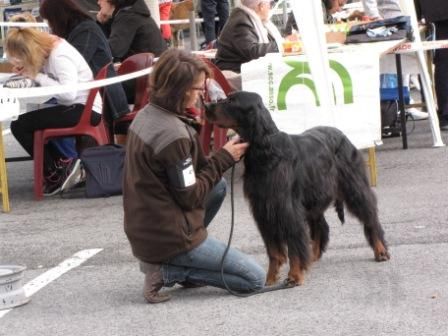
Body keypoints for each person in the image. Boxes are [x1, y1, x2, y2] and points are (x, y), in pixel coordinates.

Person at [123, 48, 266, 303]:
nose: (203, 96)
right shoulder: (173, 135)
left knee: (219, 186)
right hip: (165, 236)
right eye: (198, 89)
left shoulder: (148, 114)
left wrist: (219, 156)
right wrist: (224, 158)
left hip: (145, 227)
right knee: (254, 279)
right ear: (179, 90)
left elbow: (187, 176)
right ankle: (170, 269)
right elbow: (189, 197)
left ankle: (183, 259)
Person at [5, 27, 102, 195]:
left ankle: (57, 171)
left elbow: (68, 94)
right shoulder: (51, 48)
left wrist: (38, 76)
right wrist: (31, 70)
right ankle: (61, 165)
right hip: (79, 106)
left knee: (20, 125)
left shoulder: (59, 56)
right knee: (24, 123)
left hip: (81, 108)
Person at [39, 0, 130, 149]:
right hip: (91, 94)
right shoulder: (79, 30)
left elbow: (69, 68)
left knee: (44, 112)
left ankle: (63, 158)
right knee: (43, 110)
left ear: (57, 16)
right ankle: (61, 159)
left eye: (49, 19)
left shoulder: (85, 30)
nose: (49, 25)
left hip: (101, 96)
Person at [215, 0, 283, 76]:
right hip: (233, 75)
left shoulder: (249, 17)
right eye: (271, 4)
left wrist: (286, 42)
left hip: (242, 71)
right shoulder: (241, 21)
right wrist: (282, 45)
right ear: (261, 7)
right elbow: (253, 51)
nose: (271, 7)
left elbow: (270, 43)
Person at [96, 0, 166, 62]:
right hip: (156, 67)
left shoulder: (127, 17)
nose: (98, 2)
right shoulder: (133, 12)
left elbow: (114, 50)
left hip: (149, 72)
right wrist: (105, 23)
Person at [415, 0, 448, 130]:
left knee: (443, 61)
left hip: (435, 11)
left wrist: (417, 13)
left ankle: (445, 114)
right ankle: (445, 114)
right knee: (444, 62)